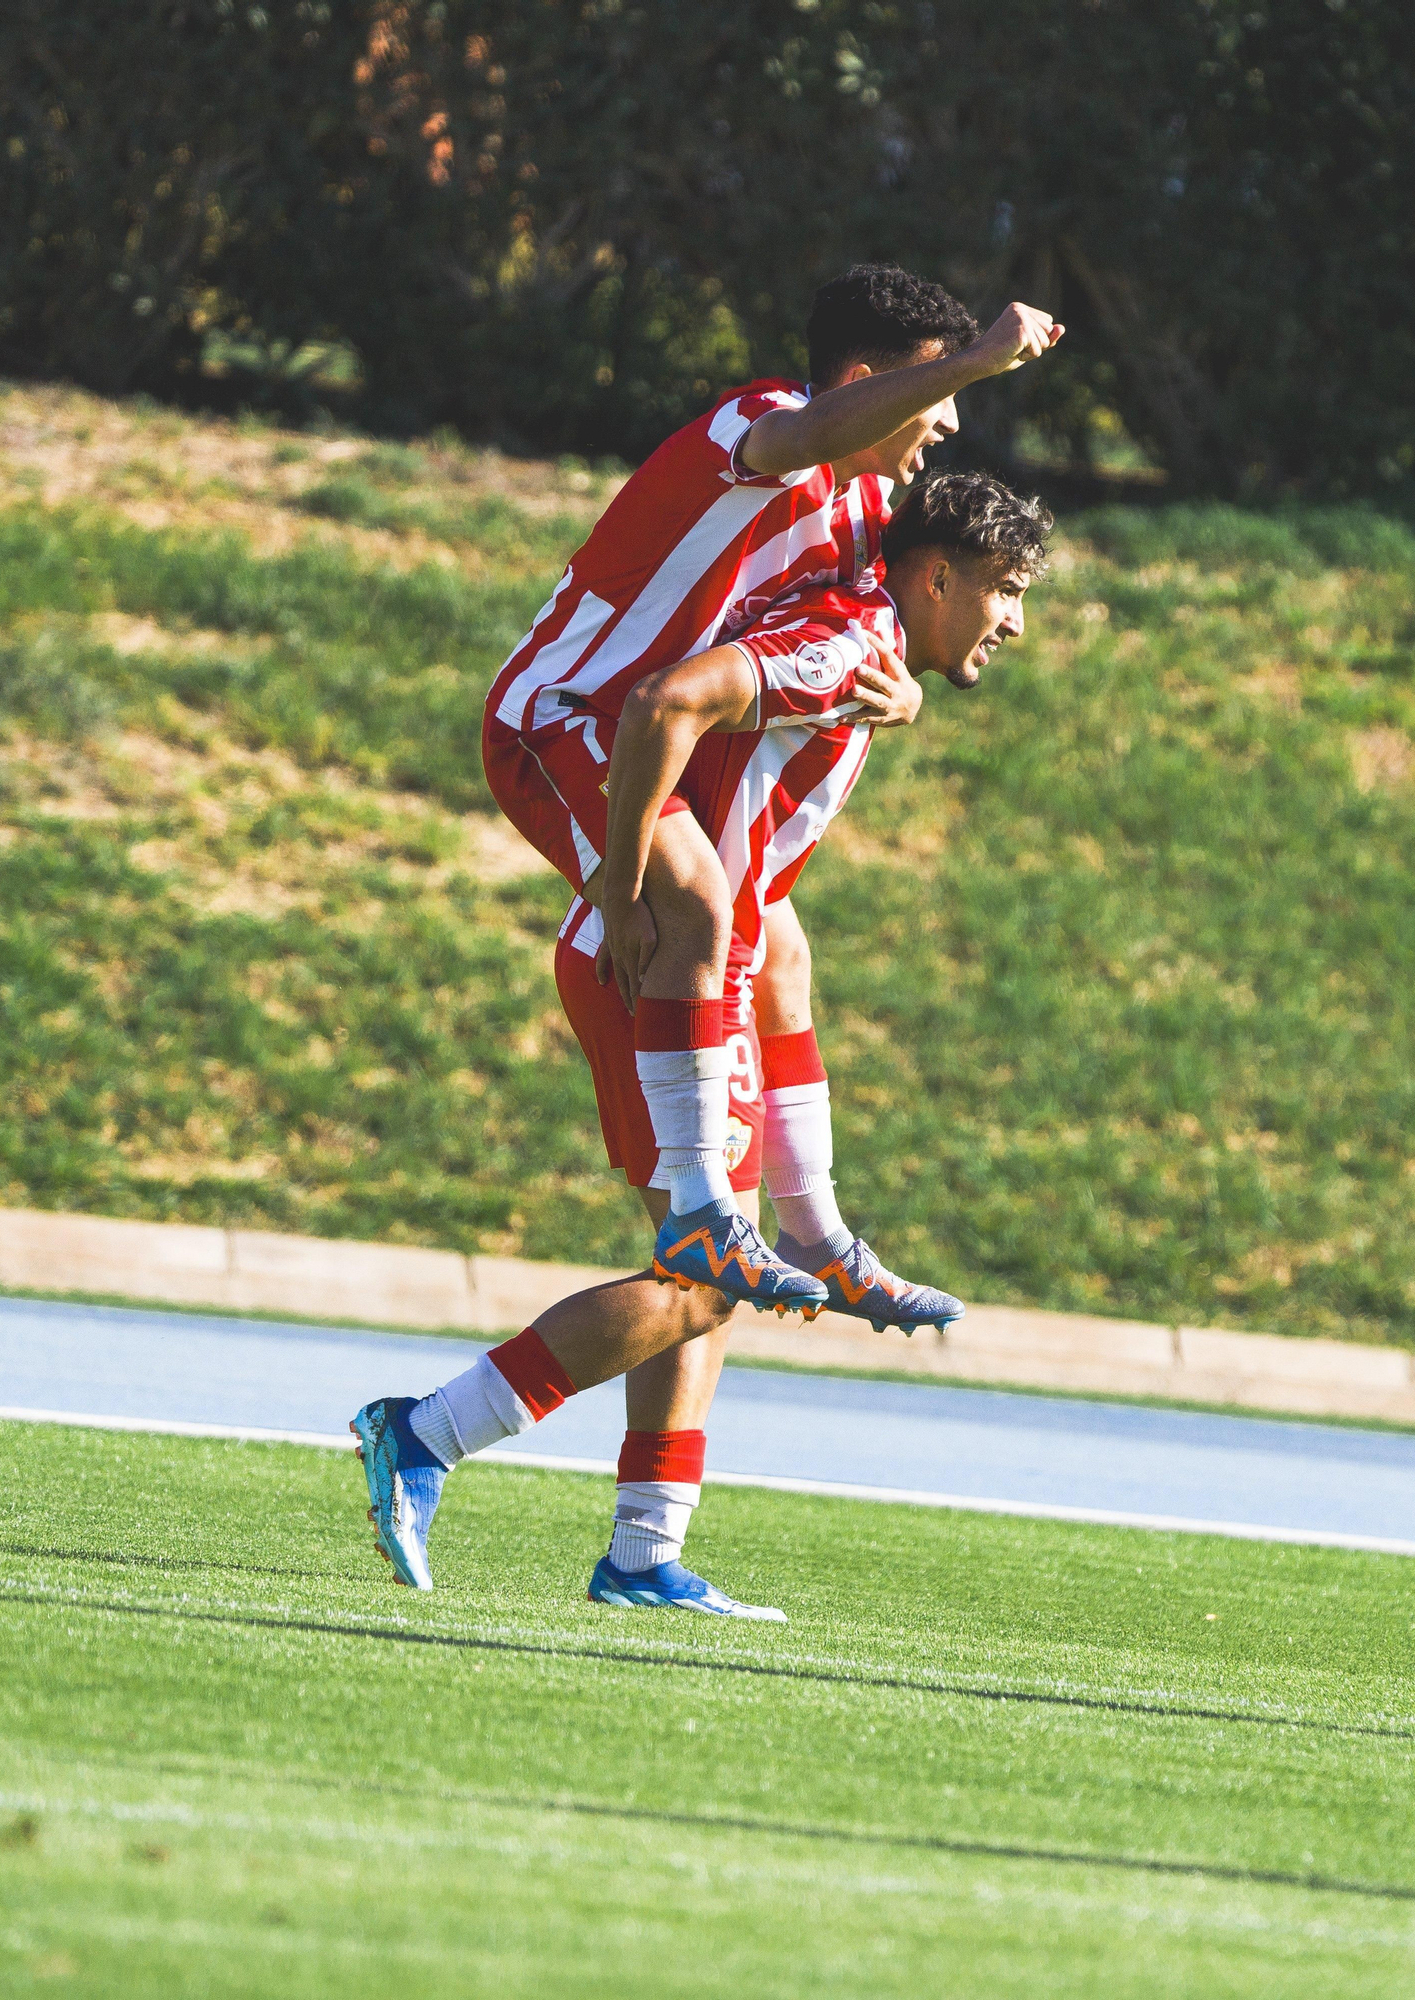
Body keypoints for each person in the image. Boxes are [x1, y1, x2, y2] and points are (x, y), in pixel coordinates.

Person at [354, 471, 1053, 1618]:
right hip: (661, 982)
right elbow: (669, 699)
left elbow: (771, 914)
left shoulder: (866, 650)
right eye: (1006, 588)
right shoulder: (845, 643)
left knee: (709, 1283)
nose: (1014, 618)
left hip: (702, 979)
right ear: (936, 577)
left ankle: (644, 1552)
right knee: (696, 1282)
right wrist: (629, 886)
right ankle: (424, 1433)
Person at [481, 264, 1063, 1312]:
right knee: (697, 909)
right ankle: (703, 1214)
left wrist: (904, 695)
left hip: (645, 737)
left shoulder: (867, 501)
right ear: (866, 384)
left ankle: (810, 1230)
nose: (946, 424)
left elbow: (885, 618)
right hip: (561, 717)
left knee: (778, 945)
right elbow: (804, 440)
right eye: (935, 395)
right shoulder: (759, 425)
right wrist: (982, 356)